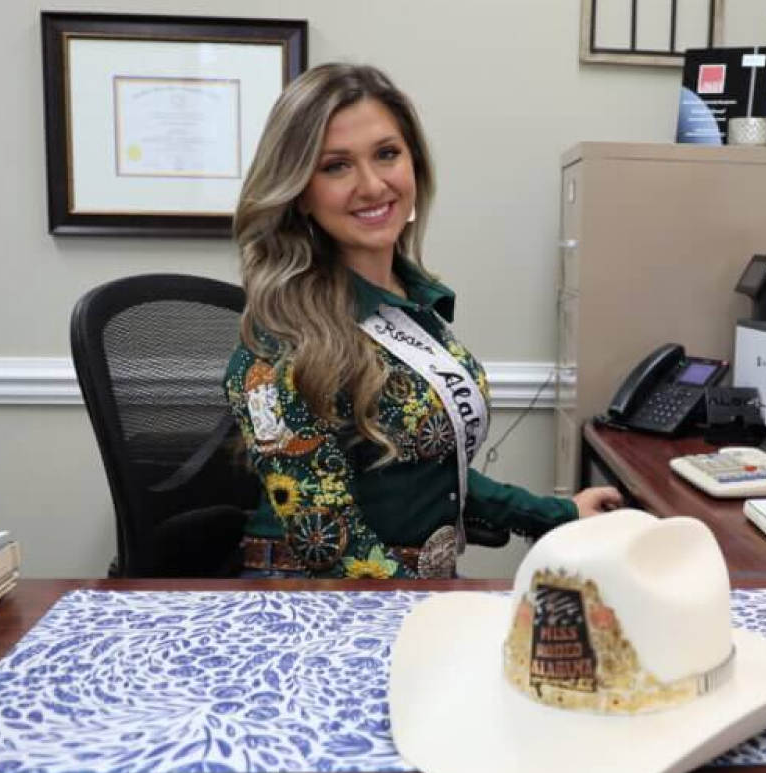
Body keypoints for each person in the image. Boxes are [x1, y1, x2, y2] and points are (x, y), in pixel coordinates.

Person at [225, 64, 623, 580]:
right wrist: (435, 608)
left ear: (414, 162)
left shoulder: (410, 302)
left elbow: (435, 471)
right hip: (320, 598)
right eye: (336, 166)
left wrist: (557, 513)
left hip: (411, 591)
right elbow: (329, 544)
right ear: (300, 190)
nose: (373, 185)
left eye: (387, 154)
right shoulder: (278, 346)